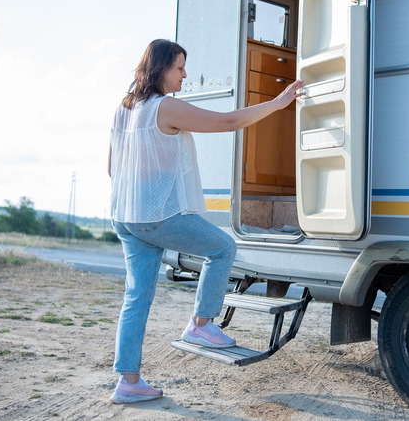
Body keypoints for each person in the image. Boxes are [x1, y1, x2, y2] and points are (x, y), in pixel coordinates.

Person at [107, 39, 304, 404]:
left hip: (125, 215)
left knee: (135, 297)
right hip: (156, 216)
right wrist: (278, 104)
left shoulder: (124, 108)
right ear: (162, 67)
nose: (184, 75)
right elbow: (228, 121)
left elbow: (111, 168)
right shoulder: (164, 107)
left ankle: (128, 382)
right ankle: (201, 325)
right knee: (222, 246)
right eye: (179, 68)